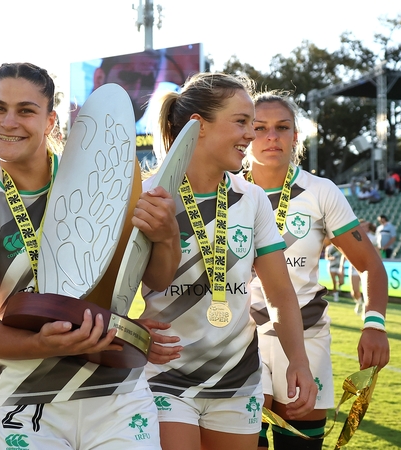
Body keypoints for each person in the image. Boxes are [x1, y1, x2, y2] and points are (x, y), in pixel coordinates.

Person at [0, 62, 182, 449]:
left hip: (117, 397)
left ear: (50, 120)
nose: (9, 121)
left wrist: (167, 235)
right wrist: (46, 345)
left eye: (26, 110)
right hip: (28, 402)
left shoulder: (102, 177)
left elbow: (156, 279)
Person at [138, 73, 317, 450]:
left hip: (239, 380)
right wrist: (130, 329)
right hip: (165, 375)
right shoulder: (146, 195)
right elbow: (107, 292)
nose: (251, 135)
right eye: (241, 122)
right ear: (198, 126)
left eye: (251, 124)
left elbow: (280, 292)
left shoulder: (251, 199)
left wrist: (297, 360)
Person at [244, 91, 390, 450]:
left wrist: (374, 323)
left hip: (307, 338)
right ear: (245, 133)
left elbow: (370, 264)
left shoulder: (320, 191)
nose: (271, 136)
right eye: (259, 127)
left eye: (282, 127)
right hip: (241, 340)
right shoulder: (226, 190)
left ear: (296, 136)